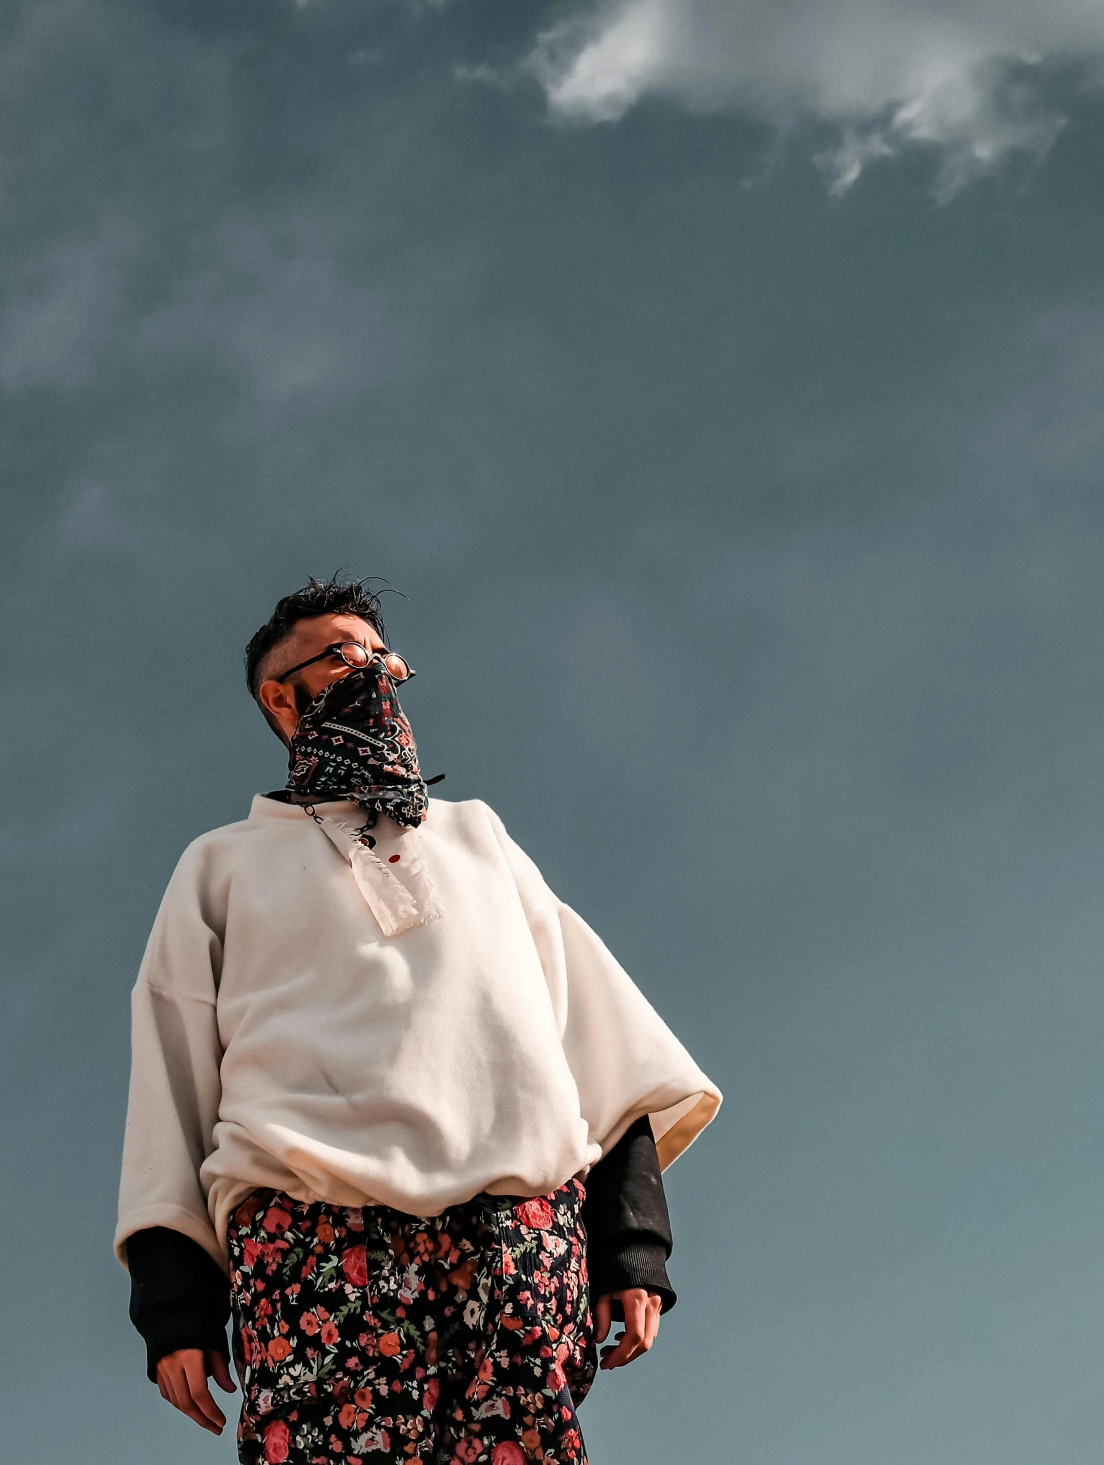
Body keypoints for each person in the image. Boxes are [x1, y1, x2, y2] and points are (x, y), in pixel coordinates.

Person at [115, 576, 722, 1465]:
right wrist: (175, 1307)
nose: (368, 669)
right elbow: (172, 1072)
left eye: (377, 653)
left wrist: (630, 1248)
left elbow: (595, 1033)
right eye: (338, 654)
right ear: (279, 696)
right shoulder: (222, 866)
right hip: (314, 1237)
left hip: (516, 1233)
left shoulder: (479, 836)